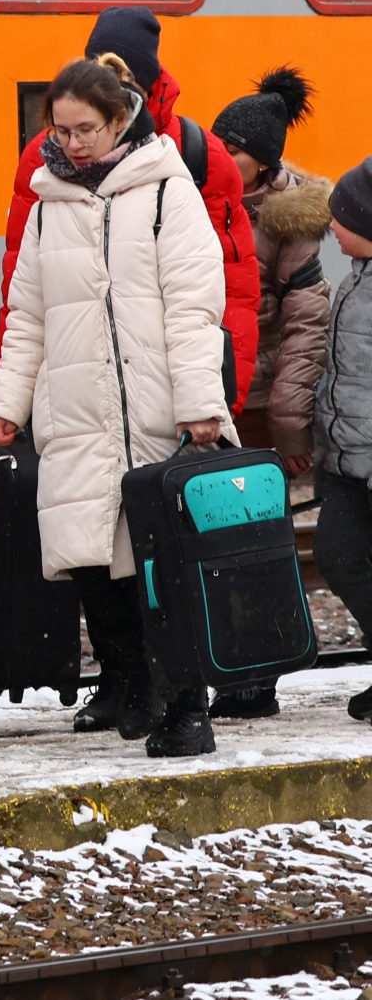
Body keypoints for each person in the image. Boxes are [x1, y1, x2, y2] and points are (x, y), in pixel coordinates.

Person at [0, 53, 230, 759]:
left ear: (121, 118)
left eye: (84, 128)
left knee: (160, 568)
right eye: (59, 130)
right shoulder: (47, 205)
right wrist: (10, 402)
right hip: (76, 409)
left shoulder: (163, 192)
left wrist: (199, 403)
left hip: (149, 412)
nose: (70, 142)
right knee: (92, 561)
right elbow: (26, 314)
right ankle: (128, 680)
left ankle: (187, 704)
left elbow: (192, 308)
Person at [0, 7, 256, 408]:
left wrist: (221, 398)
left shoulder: (197, 155)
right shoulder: (44, 160)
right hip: (75, 394)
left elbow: (226, 290)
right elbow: (25, 295)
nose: (75, 142)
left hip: (162, 397)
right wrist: (16, 395)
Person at [208, 68, 331, 721]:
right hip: (213, 399)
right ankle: (227, 668)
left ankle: (255, 681)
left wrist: (289, 433)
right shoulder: (201, 197)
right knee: (215, 548)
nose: (222, 158)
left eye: (234, 150)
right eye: (219, 145)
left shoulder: (289, 222)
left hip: (255, 410)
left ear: (263, 160)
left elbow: (308, 328)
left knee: (256, 548)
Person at [309, 159, 372, 724]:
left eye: (343, 218)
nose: (333, 227)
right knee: (337, 552)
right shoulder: (357, 276)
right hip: (350, 459)